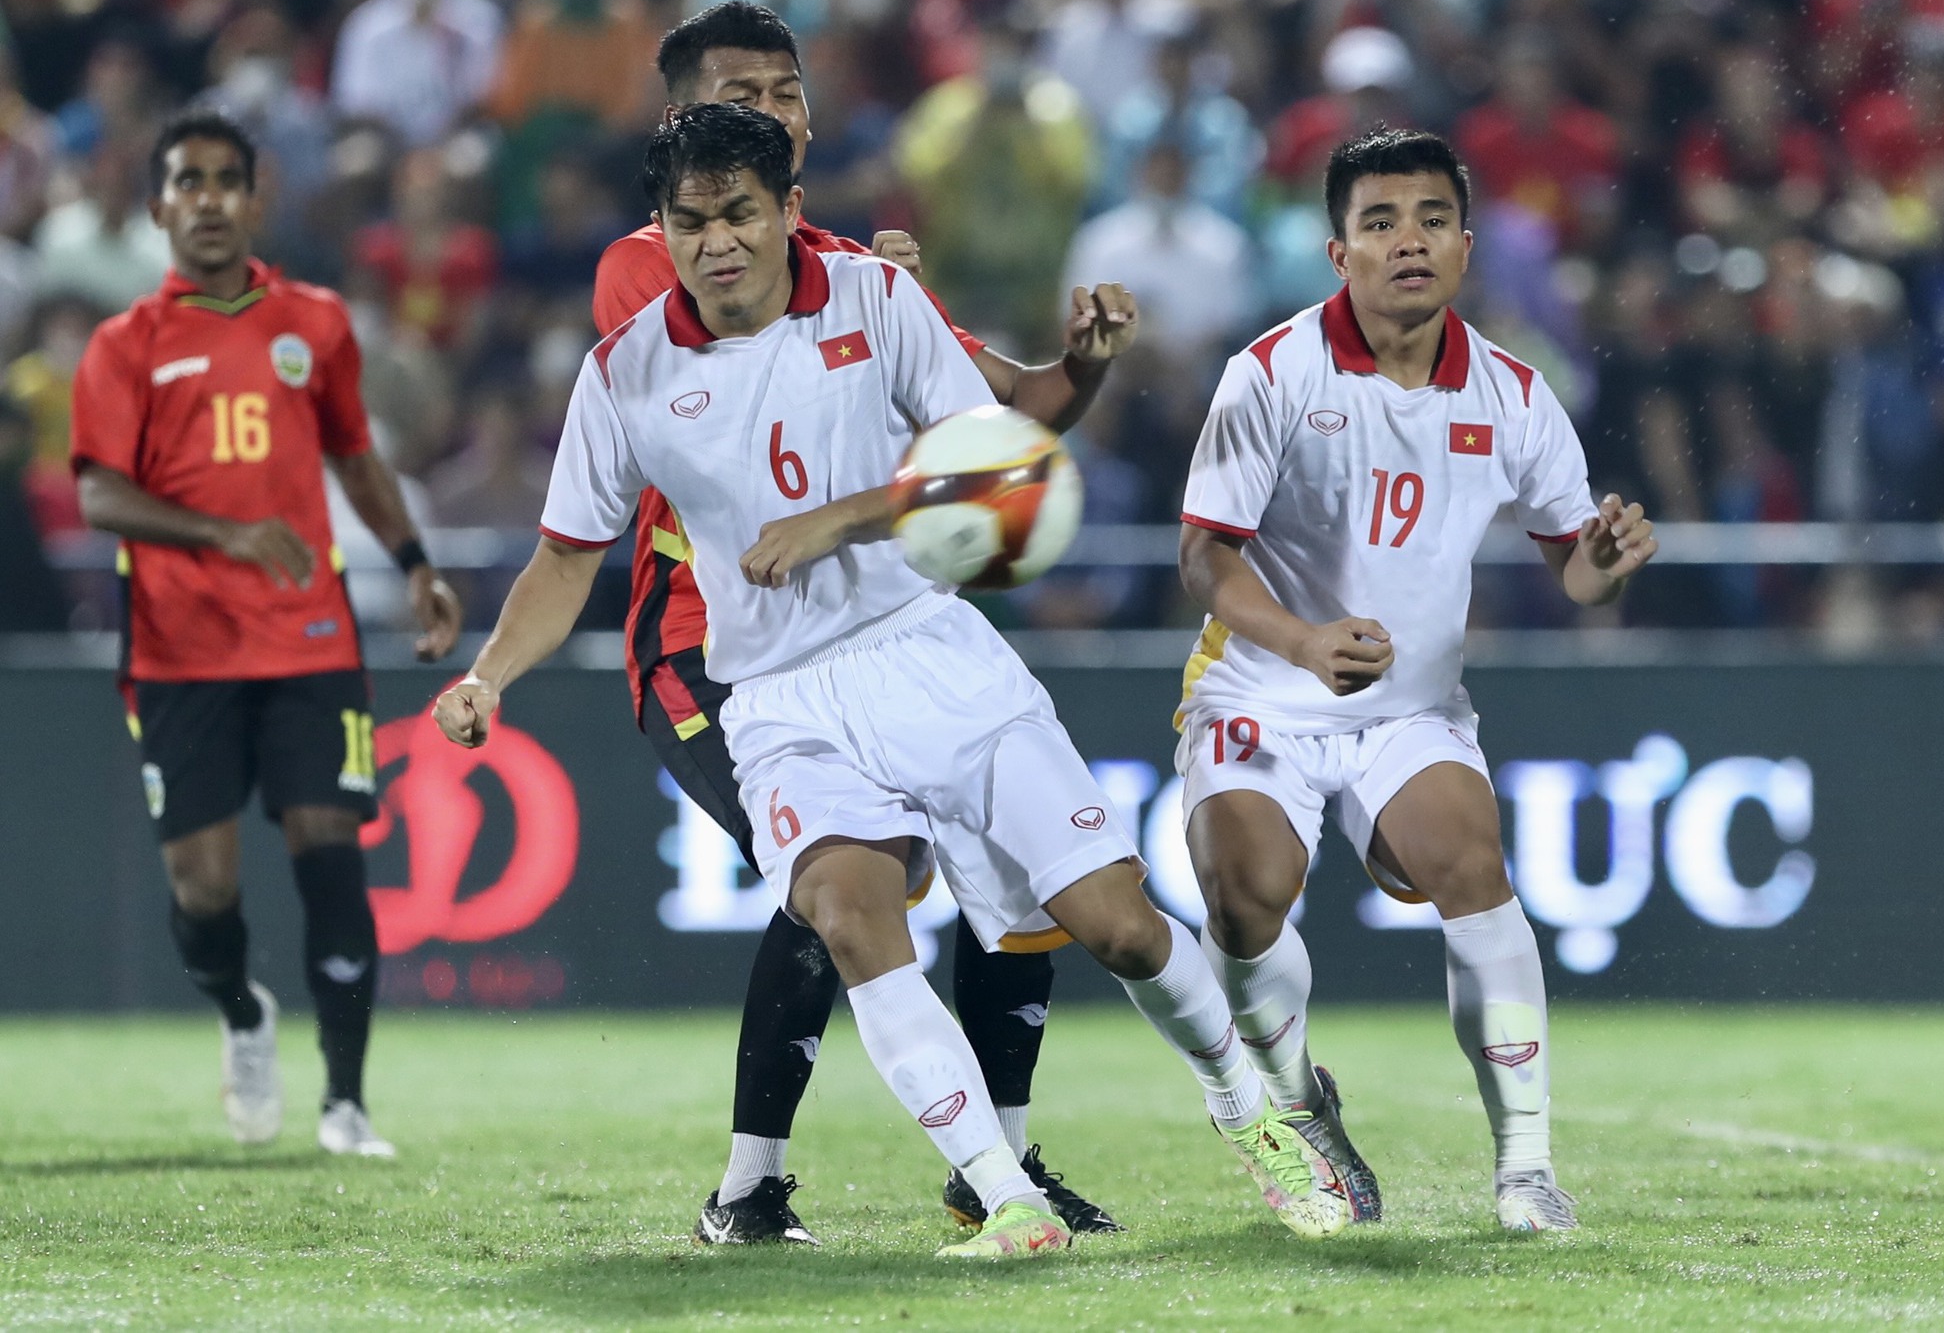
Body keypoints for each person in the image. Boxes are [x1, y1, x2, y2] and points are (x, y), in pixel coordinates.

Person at [436, 104, 1355, 1258]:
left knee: (1115, 926)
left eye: (738, 215)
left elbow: (997, 463)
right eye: (689, 221)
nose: (715, 242)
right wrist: (489, 675)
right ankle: (1001, 1194)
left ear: (783, 214)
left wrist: (843, 517)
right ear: (660, 231)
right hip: (778, 702)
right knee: (847, 911)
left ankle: (1255, 1112)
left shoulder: (872, 297)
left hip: (932, 655)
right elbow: (567, 556)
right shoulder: (623, 372)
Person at [591, 1, 1135, 1246]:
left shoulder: (853, 270)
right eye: (741, 91)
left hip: (875, 636)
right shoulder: (653, 262)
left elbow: (1009, 424)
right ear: (681, 125)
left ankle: (987, 1165)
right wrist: (848, 318)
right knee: (838, 881)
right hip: (709, 648)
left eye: (786, 90)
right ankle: (746, 1185)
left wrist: (1083, 362)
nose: (774, 110)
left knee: (1008, 856)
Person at [1176, 127, 1658, 1233]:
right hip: (1258, 690)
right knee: (1243, 894)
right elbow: (1203, 556)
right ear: (1335, 250)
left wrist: (1604, 560)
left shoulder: (1513, 392)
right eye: (1379, 221)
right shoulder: (1270, 373)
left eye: (1431, 219)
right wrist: (1301, 643)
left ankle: (1526, 1168)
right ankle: (1298, 1103)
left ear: (1465, 242)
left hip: (1408, 708)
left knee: (1468, 861)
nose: (1408, 241)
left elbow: (1570, 566)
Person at [69, 108, 463, 1157]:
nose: (206, 199)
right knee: (203, 892)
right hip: (177, 650)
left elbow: (354, 454)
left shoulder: (317, 322)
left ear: (255, 199)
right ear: (158, 207)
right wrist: (224, 533)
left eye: (225, 180)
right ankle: (242, 1010)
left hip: (309, 637)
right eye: (186, 181)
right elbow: (101, 498)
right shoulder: (123, 344)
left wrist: (415, 559)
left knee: (329, 852)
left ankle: (346, 1102)